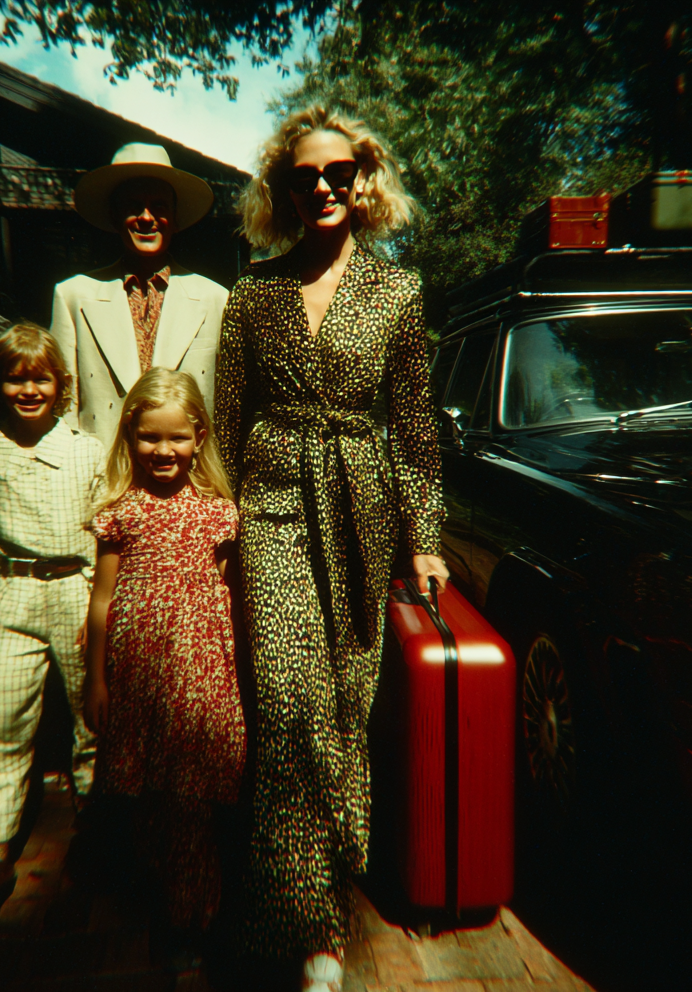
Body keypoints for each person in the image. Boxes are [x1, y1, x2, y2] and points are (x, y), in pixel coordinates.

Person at [214, 107, 447, 990]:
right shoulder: (253, 293)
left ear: (363, 180)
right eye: (304, 175)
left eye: (338, 173)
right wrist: (220, 523)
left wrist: (425, 539)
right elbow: (226, 419)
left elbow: (415, 428)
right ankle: (309, 932)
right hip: (271, 502)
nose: (323, 186)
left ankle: (333, 874)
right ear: (282, 190)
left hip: (361, 507)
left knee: (347, 704)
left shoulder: (399, 291)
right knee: (287, 705)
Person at [83, 367, 247, 965]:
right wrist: (95, 678)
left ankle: (191, 919)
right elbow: (102, 600)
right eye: (149, 437)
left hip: (198, 671)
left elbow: (227, 596)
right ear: (130, 436)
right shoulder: (120, 512)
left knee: (189, 797)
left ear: (199, 438)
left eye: (177, 437)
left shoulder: (218, 514)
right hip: (137, 670)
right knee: (150, 797)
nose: (163, 450)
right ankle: (166, 897)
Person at [0, 322, 105, 925]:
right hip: (13, 598)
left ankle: (96, 832)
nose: (29, 390)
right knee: (4, 721)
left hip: (76, 594)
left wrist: (104, 607)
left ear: (60, 385)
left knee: (93, 719)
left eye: (40, 379)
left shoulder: (86, 451)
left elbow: (107, 537)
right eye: (15, 379)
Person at [52, 143, 230, 452]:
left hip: (184, 473)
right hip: (101, 468)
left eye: (159, 206)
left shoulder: (215, 299)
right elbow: (64, 402)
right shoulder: (73, 296)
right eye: (133, 206)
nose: (146, 217)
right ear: (114, 216)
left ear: (175, 217)